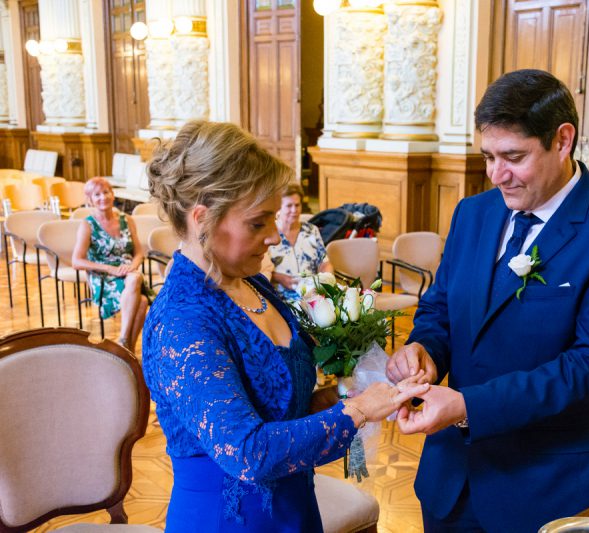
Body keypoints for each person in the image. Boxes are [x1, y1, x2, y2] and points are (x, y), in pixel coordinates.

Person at [386, 69, 589, 532]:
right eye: (488, 157)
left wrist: (469, 407)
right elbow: (440, 308)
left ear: (562, 140)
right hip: (450, 479)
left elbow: (588, 367)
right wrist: (425, 350)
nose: (497, 175)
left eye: (513, 157)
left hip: (544, 486)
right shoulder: (472, 213)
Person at [141, 120, 428, 532]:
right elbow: (248, 453)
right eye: (258, 223)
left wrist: (351, 392)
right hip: (229, 521)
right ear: (202, 219)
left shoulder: (252, 283)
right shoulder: (181, 321)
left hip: (294, 506)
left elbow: (283, 407)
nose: (275, 237)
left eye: (274, 219)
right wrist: (359, 411)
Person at [72, 177, 149, 350]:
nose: (103, 197)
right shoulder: (88, 224)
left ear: (113, 194)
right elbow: (77, 261)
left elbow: (139, 253)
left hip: (128, 271)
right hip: (103, 275)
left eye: (106, 192)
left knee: (135, 278)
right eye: (97, 194)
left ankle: (124, 345)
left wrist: (132, 266)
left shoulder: (127, 220)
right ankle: (126, 346)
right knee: (142, 301)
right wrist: (110, 269)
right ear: (90, 200)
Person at [268, 182, 333, 302]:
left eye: (297, 205)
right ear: (278, 207)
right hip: (280, 299)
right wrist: (279, 278)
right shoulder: (268, 233)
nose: (294, 210)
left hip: (312, 296)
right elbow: (258, 273)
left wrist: (326, 281)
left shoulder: (311, 230)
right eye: (289, 206)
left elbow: (324, 263)